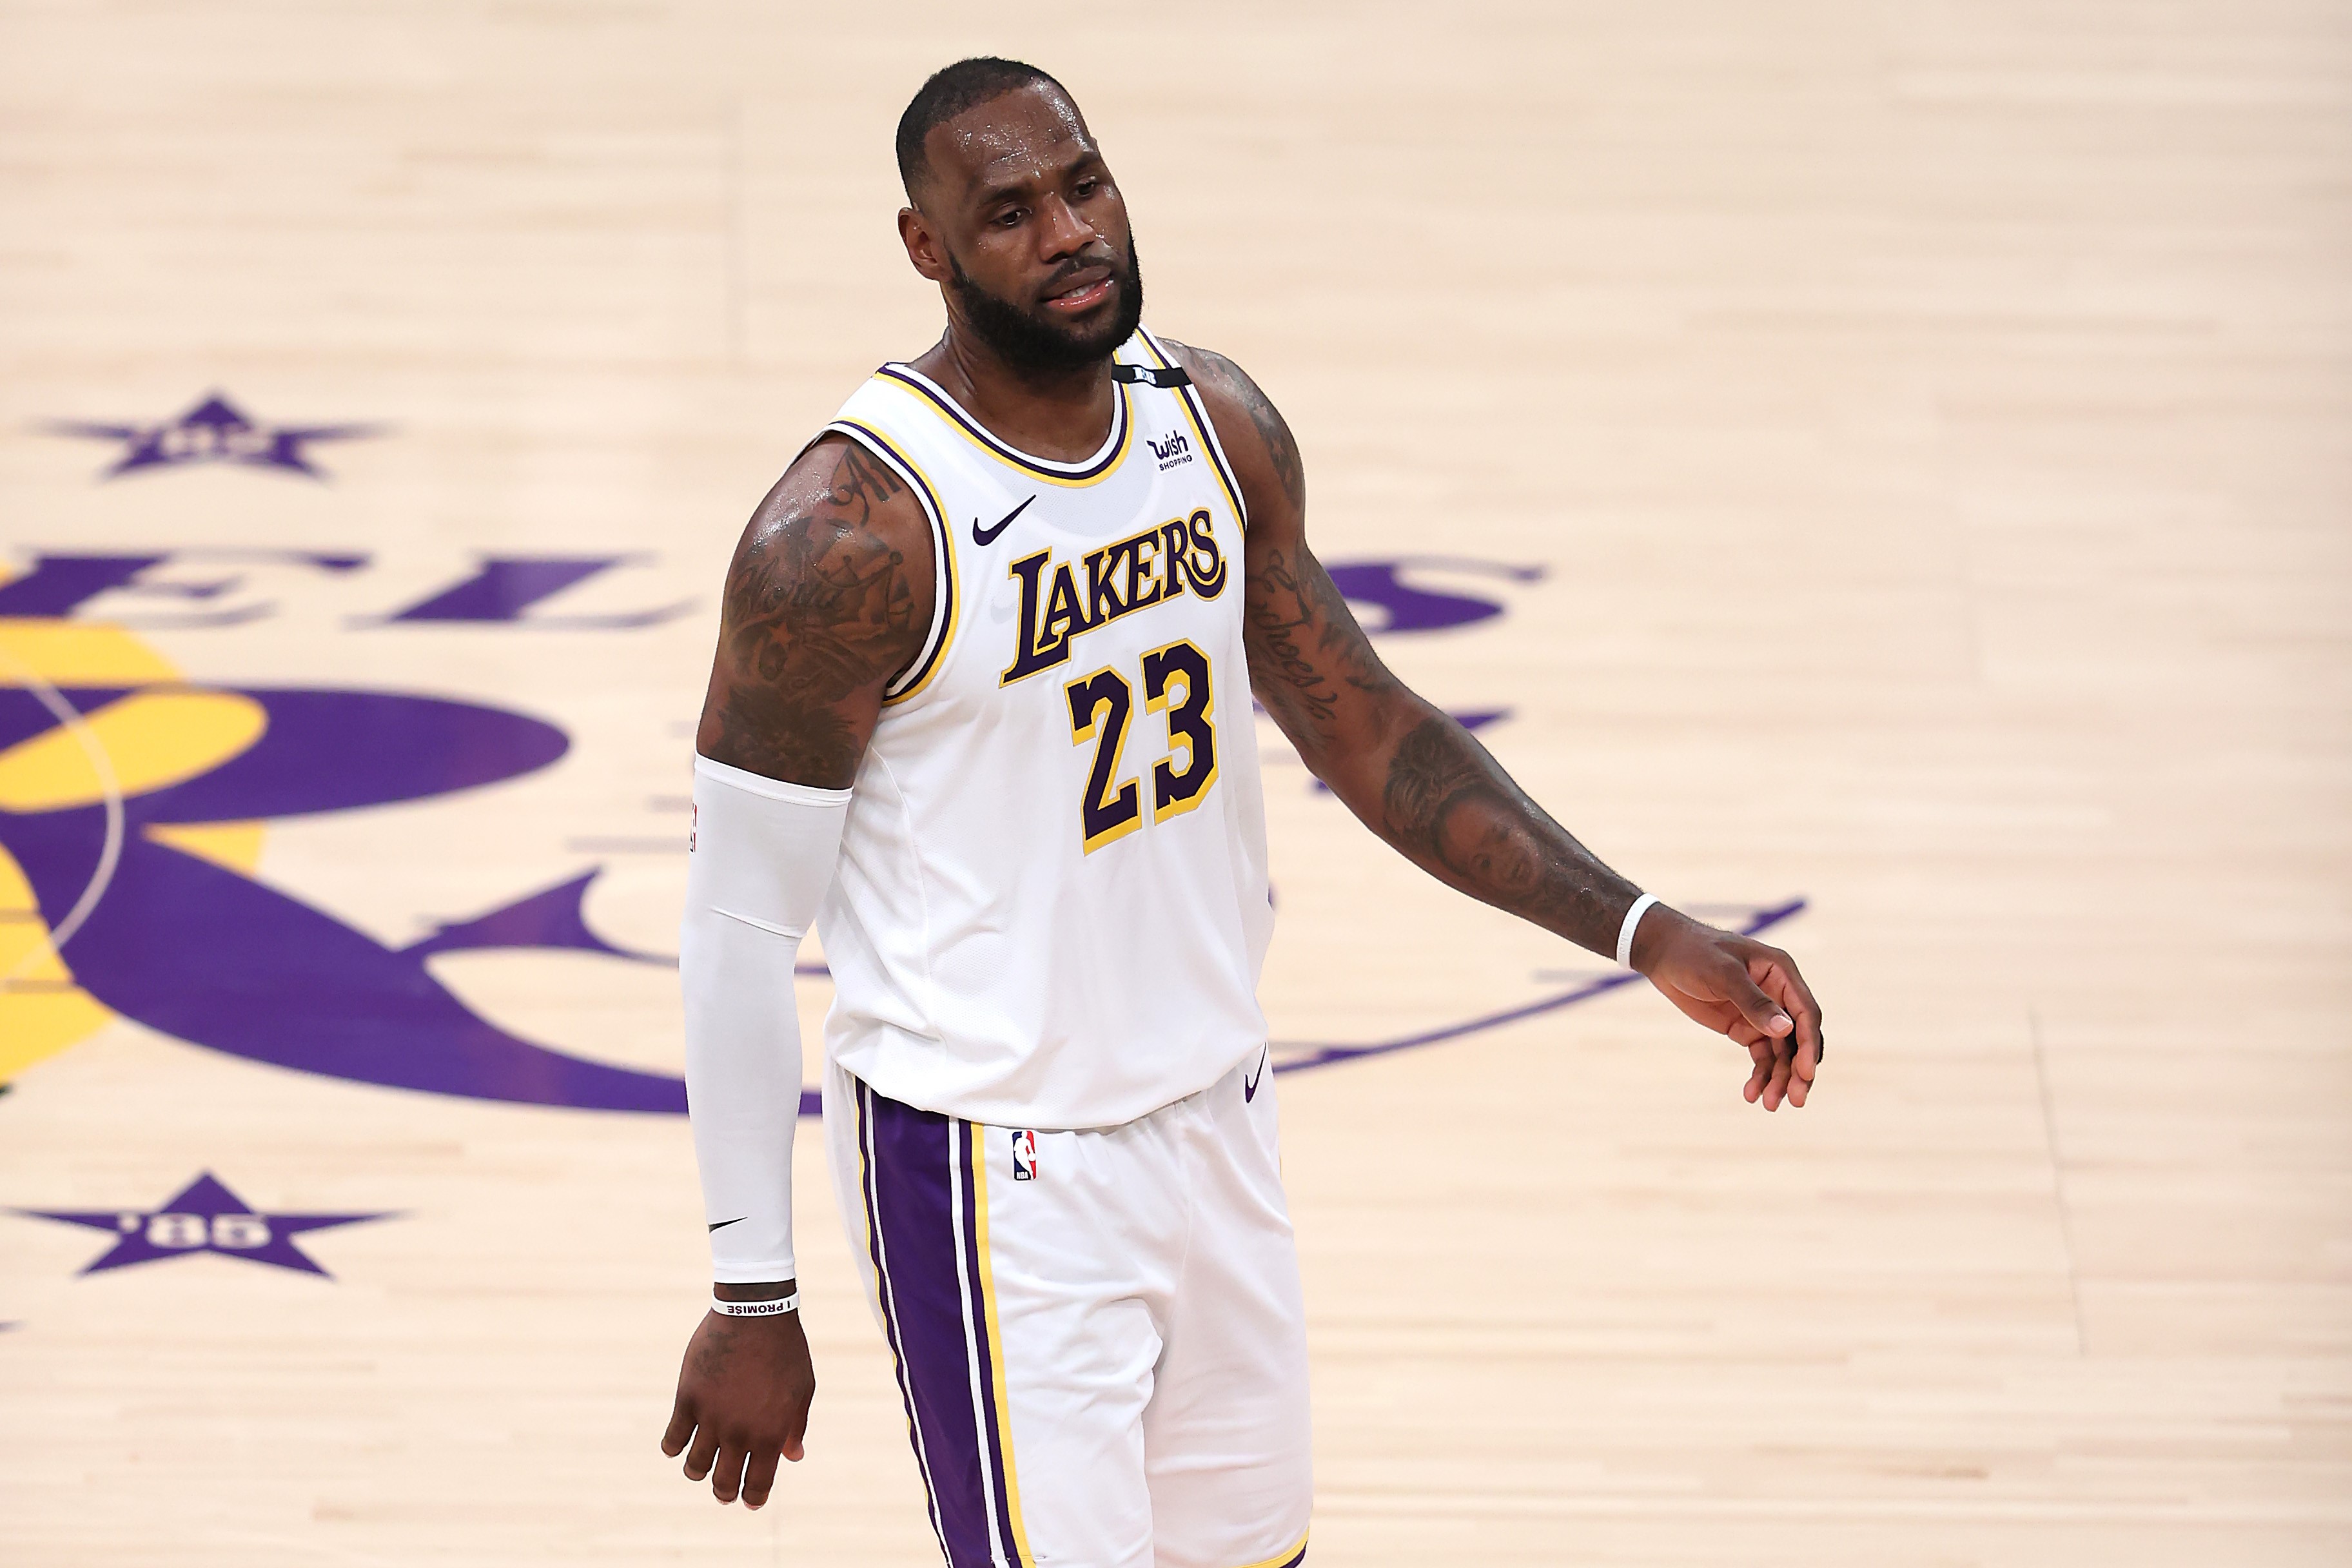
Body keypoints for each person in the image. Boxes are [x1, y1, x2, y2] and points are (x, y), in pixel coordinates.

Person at [659, 55, 1823, 1568]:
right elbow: (740, 926)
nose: (1069, 231)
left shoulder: (1209, 424)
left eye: (1085, 184)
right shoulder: (848, 534)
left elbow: (1370, 722)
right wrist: (755, 1291)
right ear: (925, 248)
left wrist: (1641, 927)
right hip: (996, 1169)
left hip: (1218, 1116)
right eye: (1008, 212)